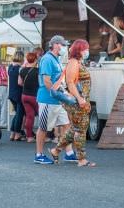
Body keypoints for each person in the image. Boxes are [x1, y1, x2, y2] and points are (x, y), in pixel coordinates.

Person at [50, 39, 95, 167]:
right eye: (85, 49)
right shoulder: (74, 62)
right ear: (79, 50)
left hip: (79, 100)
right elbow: (70, 83)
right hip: (76, 101)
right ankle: (81, 159)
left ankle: (56, 150)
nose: (87, 51)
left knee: (75, 129)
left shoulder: (77, 62)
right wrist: (80, 99)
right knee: (81, 130)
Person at [34, 35, 77, 165]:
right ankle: (39, 155)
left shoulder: (56, 59)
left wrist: (63, 93)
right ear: (56, 45)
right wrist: (61, 94)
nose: (65, 47)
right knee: (43, 128)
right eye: (63, 45)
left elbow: (57, 80)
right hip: (48, 100)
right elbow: (47, 81)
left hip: (56, 101)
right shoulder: (47, 59)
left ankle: (69, 153)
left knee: (66, 125)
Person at [19, 52, 39, 142]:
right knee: (42, 116)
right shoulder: (38, 71)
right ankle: (44, 135)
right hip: (35, 96)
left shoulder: (22, 70)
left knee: (29, 116)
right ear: (35, 59)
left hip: (24, 95)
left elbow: (19, 83)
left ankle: (29, 137)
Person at [8, 51, 25, 141]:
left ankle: (12, 133)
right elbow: (21, 82)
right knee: (19, 115)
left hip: (11, 93)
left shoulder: (10, 67)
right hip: (19, 93)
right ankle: (17, 134)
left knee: (17, 114)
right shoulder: (20, 69)